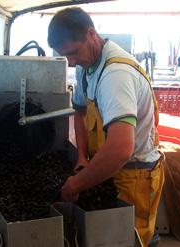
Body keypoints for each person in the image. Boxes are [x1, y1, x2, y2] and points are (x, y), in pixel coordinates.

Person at [48, 7, 164, 247]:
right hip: (105, 168)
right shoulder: (85, 66)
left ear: (91, 34)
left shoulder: (115, 75)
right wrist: (81, 156)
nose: (71, 62)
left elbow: (121, 148)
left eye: (73, 53)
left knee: (130, 240)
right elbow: (79, 111)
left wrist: (76, 184)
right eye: (64, 56)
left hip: (133, 177)